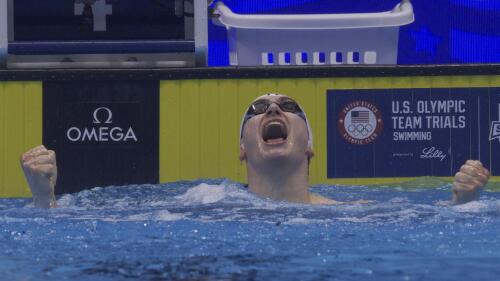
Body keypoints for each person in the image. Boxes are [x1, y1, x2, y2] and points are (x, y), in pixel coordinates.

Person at [20, 93, 490, 208]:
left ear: (312, 147)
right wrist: (44, 198)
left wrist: (462, 205)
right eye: (259, 108)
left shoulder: (352, 213)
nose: (273, 109)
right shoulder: (203, 201)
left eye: (288, 106)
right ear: (242, 148)